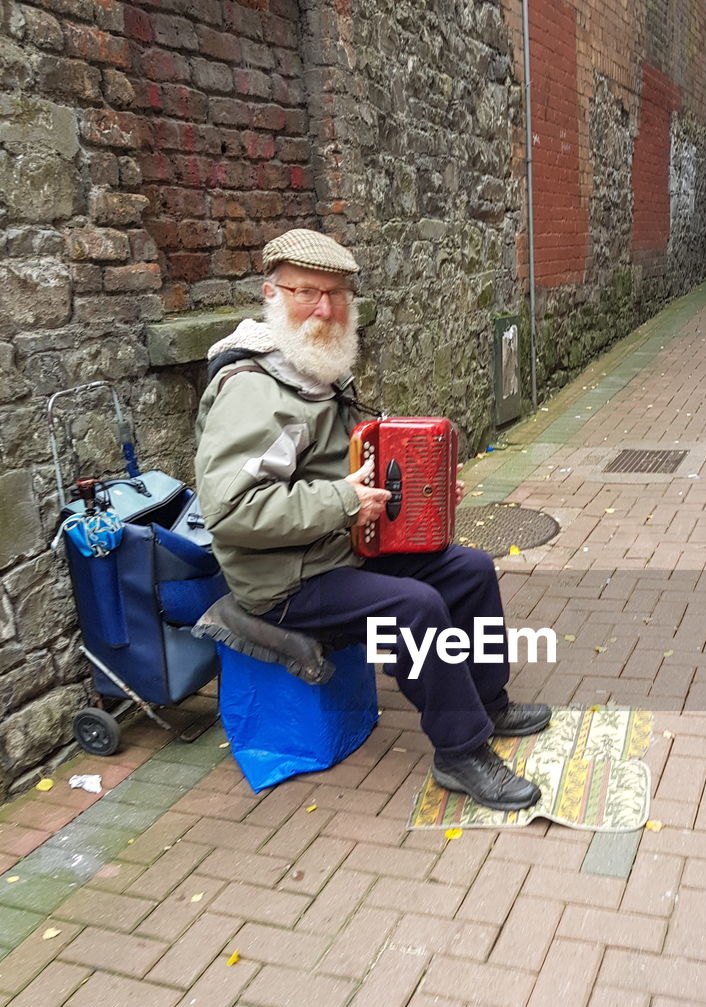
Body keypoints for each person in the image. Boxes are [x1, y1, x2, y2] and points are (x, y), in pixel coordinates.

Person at [194, 228, 551, 809]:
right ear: (271, 293)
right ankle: (459, 752)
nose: (326, 309)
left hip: (337, 547)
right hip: (284, 580)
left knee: (469, 569)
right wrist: (343, 502)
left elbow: (356, 466)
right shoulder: (255, 392)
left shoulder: (313, 372)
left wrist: (424, 493)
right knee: (415, 607)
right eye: (307, 291)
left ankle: (490, 703)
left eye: (337, 294)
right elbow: (233, 513)